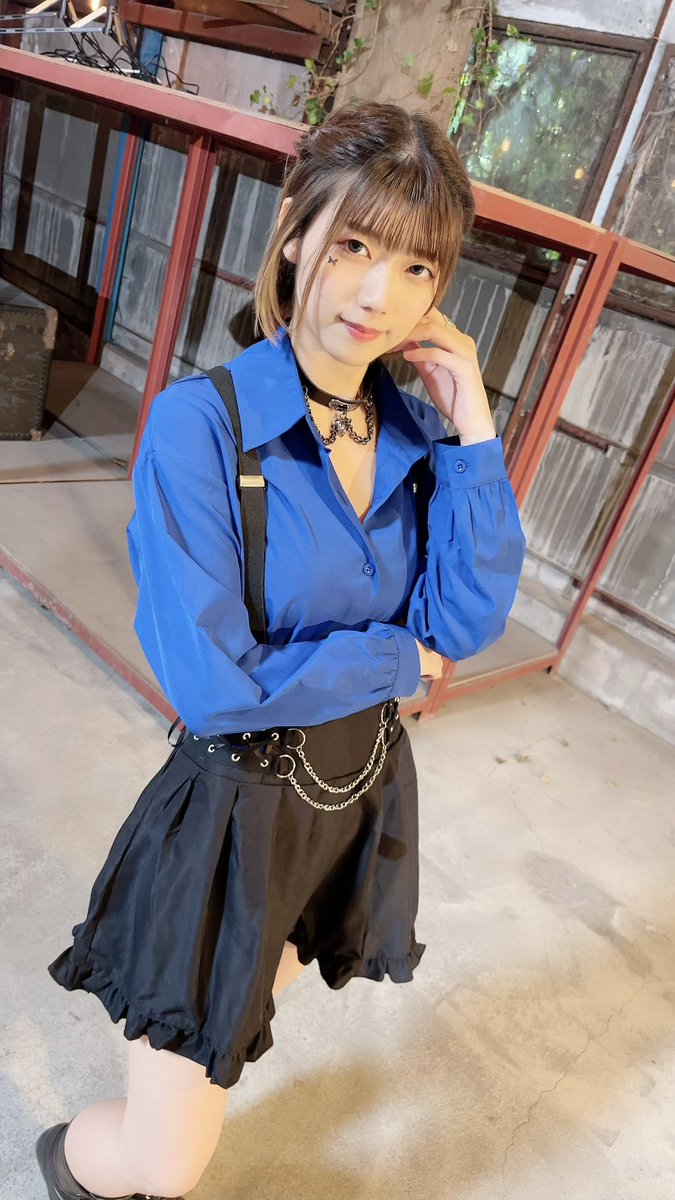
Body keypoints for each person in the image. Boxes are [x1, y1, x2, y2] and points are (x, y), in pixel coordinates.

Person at [36, 98, 527, 1200]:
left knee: (240, 1023)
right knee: (167, 1161)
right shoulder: (202, 424)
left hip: (352, 807)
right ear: (296, 234)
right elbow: (213, 684)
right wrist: (394, 664)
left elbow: (464, 623)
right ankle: (68, 1160)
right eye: (353, 246)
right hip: (232, 821)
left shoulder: (416, 432)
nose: (377, 295)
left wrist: (475, 429)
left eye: (416, 268)